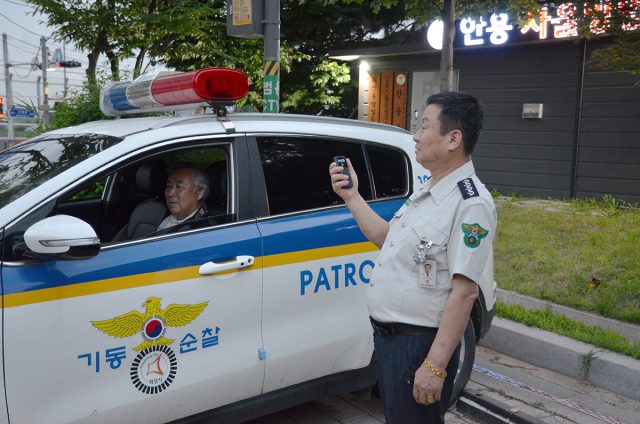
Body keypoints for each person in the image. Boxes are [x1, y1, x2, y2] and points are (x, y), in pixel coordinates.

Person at [329, 91, 497, 424]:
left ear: (453, 139)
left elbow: (465, 292)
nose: (415, 137)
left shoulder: (471, 203)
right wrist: (351, 196)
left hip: (418, 348)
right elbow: (385, 238)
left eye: (423, 127)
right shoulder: (430, 190)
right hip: (392, 343)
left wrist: (434, 366)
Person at [158, 164, 210, 230]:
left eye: (179, 187)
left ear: (199, 193)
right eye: (169, 186)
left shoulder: (203, 228)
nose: (170, 193)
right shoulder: (167, 217)